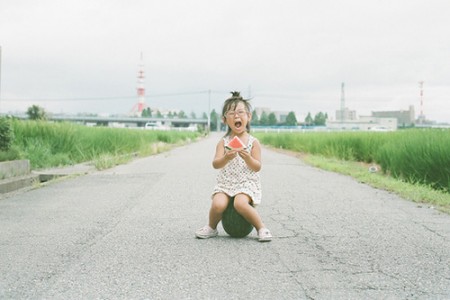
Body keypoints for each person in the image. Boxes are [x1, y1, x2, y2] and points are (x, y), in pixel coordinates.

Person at [195, 91, 272, 242]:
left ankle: (261, 228)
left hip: (246, 182)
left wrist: (248, 158)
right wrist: (226, 157)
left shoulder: (253, 142)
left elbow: (257, 167)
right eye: (231, 113)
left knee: (240, 203)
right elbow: (216, 164)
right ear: (225, 120)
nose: (237, 116)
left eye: (241, 112)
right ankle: (211, 227)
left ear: (248, 117)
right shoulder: (223, 142)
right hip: (226, 182)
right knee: (218, 204)